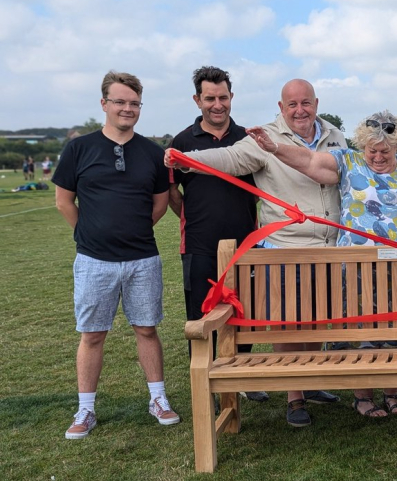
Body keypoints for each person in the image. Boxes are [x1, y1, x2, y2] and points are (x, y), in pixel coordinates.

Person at [164, 79, 345, 427]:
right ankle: (294, 398)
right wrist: (186, 160)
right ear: (281, 108)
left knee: (315, 320)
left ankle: (309, 381)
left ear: (317, 103)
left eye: (305, 103)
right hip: (286, 246)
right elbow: (228, 158)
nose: (299, 110)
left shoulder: (335, 135)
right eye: (291, 105)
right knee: (287, 324)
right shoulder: (265, 139)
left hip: (328, 246)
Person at [246, 110, 397, 418]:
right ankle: (362, 396)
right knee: (358, 331)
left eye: (384, 151)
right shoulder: (349, 161)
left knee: (395, 329)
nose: (377, 156)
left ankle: (392, 390)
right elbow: (309, 161)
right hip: (354, 265)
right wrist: (274, 148)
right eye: (371, 150)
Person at [53, 71, 179, 439]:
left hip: (142, 258)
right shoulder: (80, 148)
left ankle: (158, 399)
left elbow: (159, 204)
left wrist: (132, 231)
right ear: (104, 103)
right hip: (94, 260)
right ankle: (86, 409)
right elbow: (64, 200)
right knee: (92, 335)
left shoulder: (152, 152)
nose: (128, 108)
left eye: (134, 103)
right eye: (120, 101)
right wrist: (89, 234)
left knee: (146, 328)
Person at [168, 66, 268, 403]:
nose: (217, 104)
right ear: (197, 99)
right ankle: (204, 383)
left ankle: (241, 377)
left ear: (231, 97)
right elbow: (171, 192)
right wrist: (193, 216)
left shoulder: (248, 138)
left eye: (222, 97)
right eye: (209, 98)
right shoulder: (182, 141)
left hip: (245, 242)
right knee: (200, 315)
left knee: (244, 312)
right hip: (198, 244)